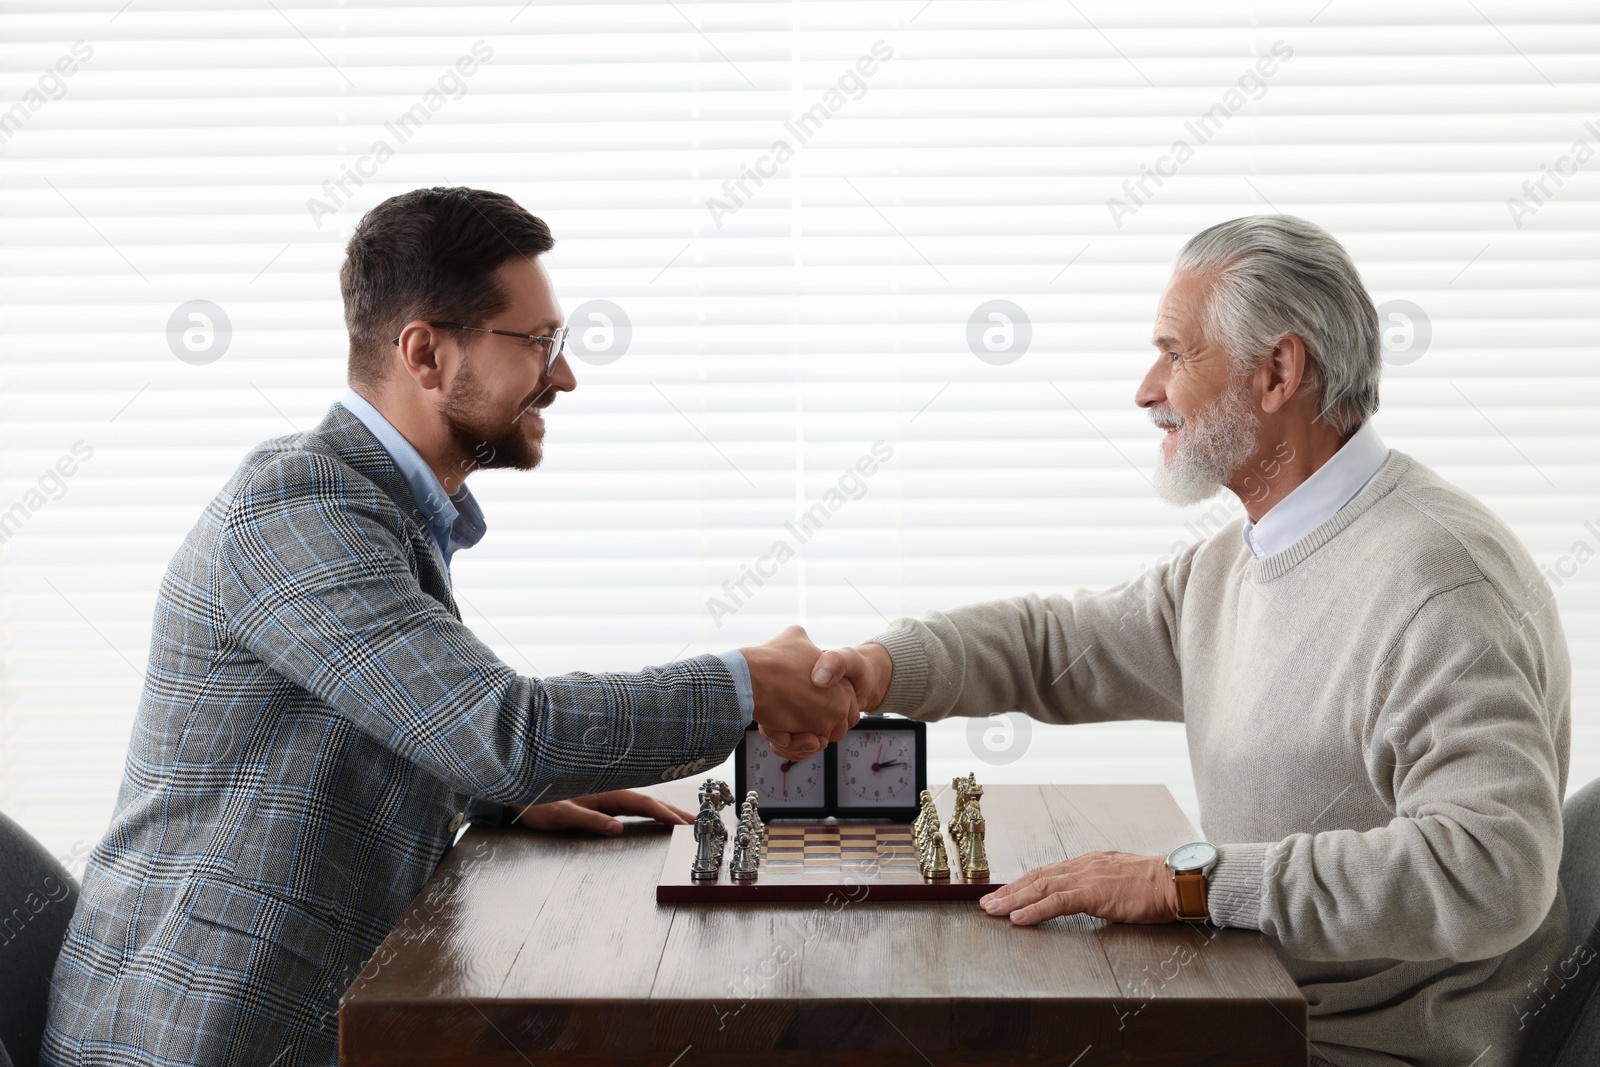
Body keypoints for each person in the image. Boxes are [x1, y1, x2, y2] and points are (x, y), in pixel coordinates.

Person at [42, 187, 856, 1067]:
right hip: (196, 1035)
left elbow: (392, 720)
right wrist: (742, 681)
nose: (566, 374)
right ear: (425, 353)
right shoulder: (300, 506)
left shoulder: (371, 506)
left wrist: (498, 791)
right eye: (540, 342)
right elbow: (501, 730)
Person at [790, 215, 1571, 1067]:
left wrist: (1186, 881)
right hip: (1251, 1006)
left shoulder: (1437, 586)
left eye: (1174, 352)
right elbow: (1059, 644)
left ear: (1278, 371)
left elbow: (1495, 867)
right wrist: (882, 666)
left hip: (1361, 1048)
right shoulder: (1243, 558)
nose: (1144, 389)